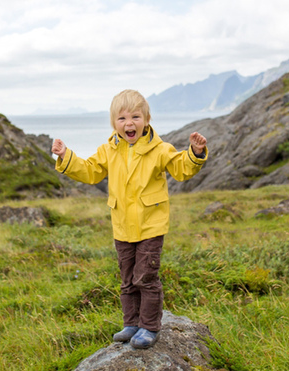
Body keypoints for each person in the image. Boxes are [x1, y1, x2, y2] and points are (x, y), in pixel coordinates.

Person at [51, 89, 208, 349]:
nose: (129, 123)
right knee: (127, 279)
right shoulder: (108, 150)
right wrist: (66, 156)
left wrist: (195, 152)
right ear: (114, 124)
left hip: (150, 225)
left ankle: (149, 326)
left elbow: (181, 169)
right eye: (122, 119)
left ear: (147, 119)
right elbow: (90, 172)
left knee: (145, 278)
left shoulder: (160, 149)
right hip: (122, 226)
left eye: (135, 117)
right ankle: (131, 323)